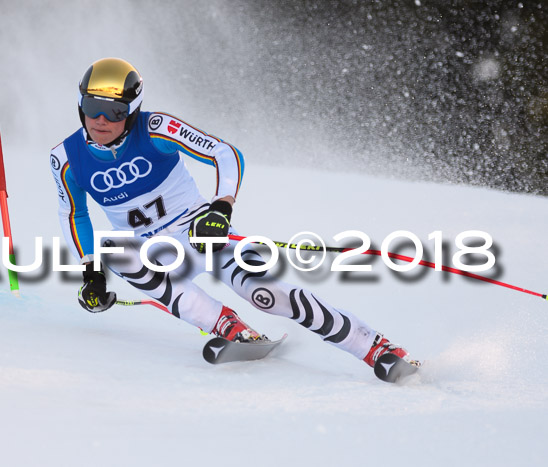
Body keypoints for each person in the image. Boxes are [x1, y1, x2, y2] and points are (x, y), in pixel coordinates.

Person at [50, 57, 417, 376]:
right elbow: (74, 214)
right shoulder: (65, 158)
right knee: (114, 250)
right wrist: (91, 274)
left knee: (265, 294)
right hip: (152, 252)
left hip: (201, 233)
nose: (99, 119)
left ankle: (374, 347)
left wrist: (220, 208)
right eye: (90, 106)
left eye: (113, 111)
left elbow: (226, 154)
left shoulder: (156, 128)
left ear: (132, 111)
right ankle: (226, 325)